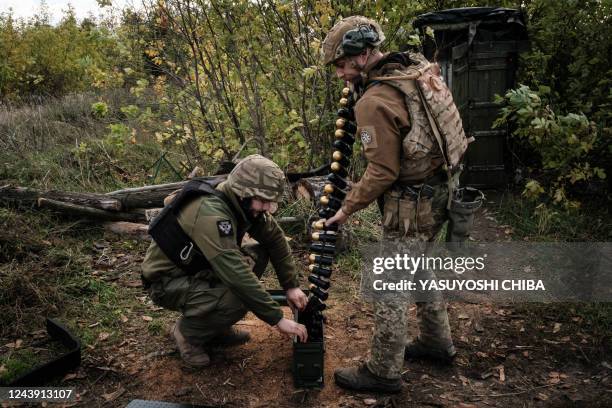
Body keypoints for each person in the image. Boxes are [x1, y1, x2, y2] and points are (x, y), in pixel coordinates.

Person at [322, 16, 469, 392]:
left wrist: (345, 208)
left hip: (411, 207)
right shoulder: (412, 70)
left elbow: (383, 171)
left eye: (342, 65)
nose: (340, 75)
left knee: (390, 285)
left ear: (364, 54)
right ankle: (437, 343)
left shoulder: (375, 100)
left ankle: (383, 371)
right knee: (419, 269)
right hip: (440, 193)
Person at [141, 154, 308, 367]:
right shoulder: (211, 212)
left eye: (270, 202)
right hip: (167, 281)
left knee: (257, 255)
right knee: (239, 298)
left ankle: (215, 327)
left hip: (197, 268)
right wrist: (277, 318)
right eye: (263, 200)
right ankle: (189, 335)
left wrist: (291, 286)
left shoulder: (242, 204)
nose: (267, 208)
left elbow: (275, 239)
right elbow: (235, 274)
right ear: (243, 192)